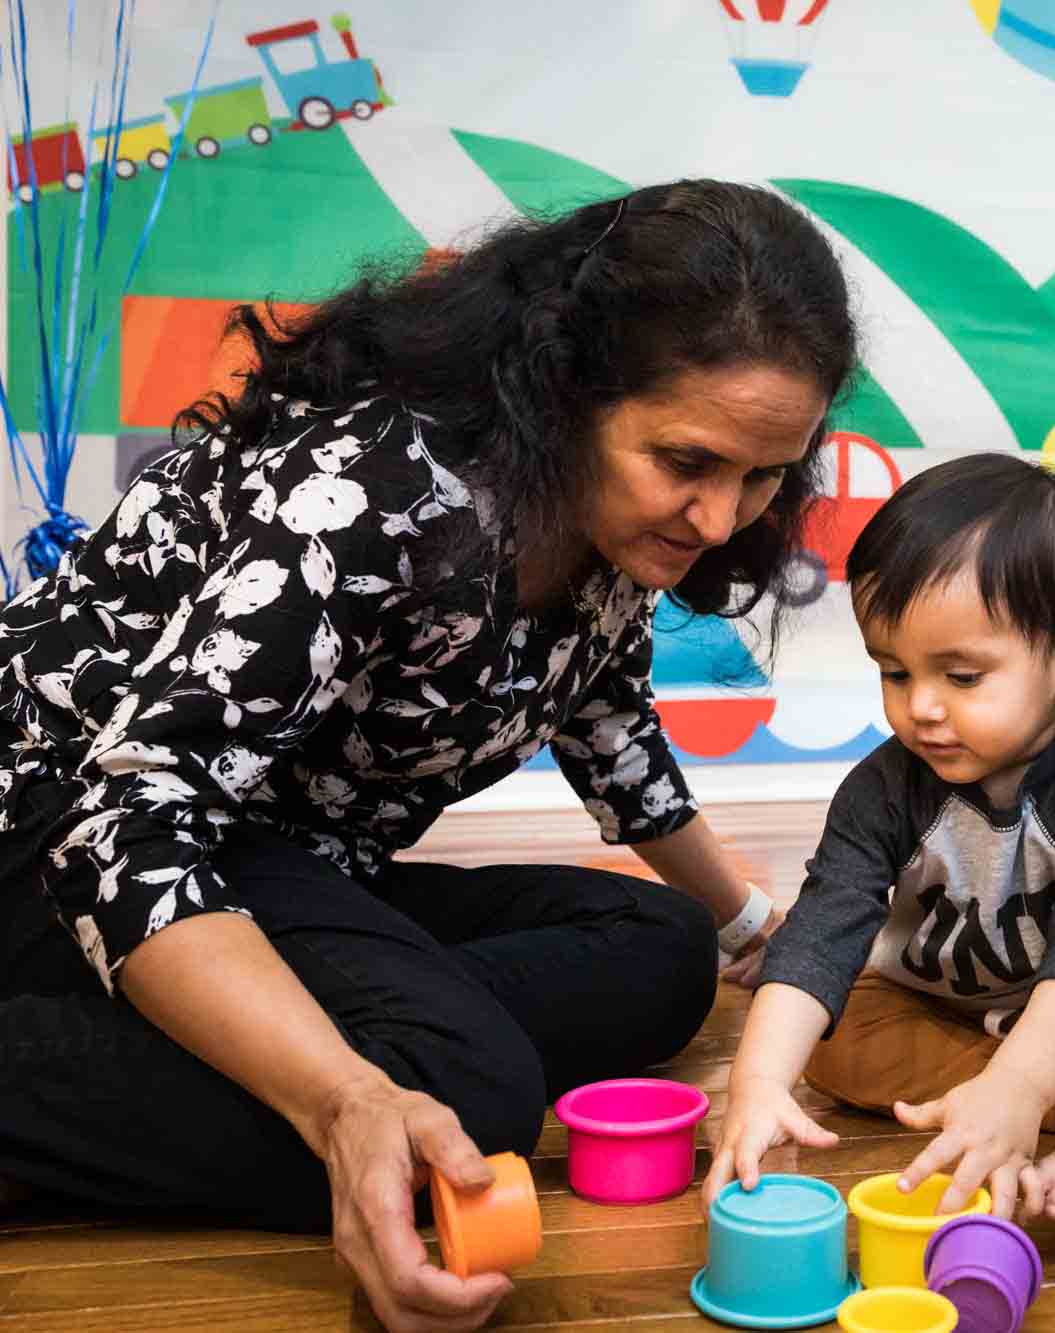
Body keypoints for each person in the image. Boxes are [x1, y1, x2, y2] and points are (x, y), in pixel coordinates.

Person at [0, 179, 857, 1330]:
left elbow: (603, 722)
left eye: (761, 477)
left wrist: (762, 931)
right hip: (57, 845)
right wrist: (344, 1097)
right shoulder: (372, 489)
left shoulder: (598, 528)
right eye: (687, 462)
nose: (719, 518)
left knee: (660, 948)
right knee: (466, 1090)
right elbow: (121, 825)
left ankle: (282, 1050)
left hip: (278, 864)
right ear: (567, 393)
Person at [703, 453, 1055, 1248]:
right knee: (832, 1039)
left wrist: (1022, 1069)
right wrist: (759, 1080)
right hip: (941, 1004)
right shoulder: (881, 789)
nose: (922, 708)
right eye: (894, 672)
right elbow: (821, 928)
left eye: (964, 675)